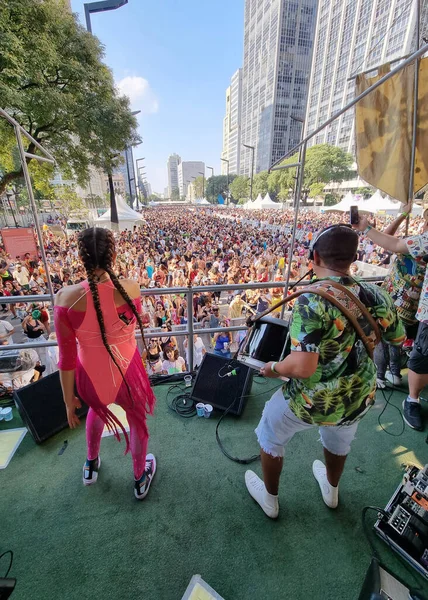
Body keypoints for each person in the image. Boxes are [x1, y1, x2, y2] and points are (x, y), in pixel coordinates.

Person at [245, 225, 404, 519]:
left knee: (270, 429)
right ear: (354, 257)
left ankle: (270, 500)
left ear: (314, 256)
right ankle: (331, 490)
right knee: (339, 437)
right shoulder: (375, 293)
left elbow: (303, 367)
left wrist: (273, 368)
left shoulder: (312, 300)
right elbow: (396, 337)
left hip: (314, 398)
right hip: (358, 392)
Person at [54, 227, 157, 500]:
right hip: (129, 374)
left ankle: (91, 463)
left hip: (89, 378)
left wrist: (68, 401)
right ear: (113, 254)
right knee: (137, 422)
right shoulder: (132, 288)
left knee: (96, 410)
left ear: (80, 256)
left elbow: (65, 359)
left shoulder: (64, 298)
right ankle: (139, 478)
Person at [353, 210, 428, 431]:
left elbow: (389, 240)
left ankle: (381, 375)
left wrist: (400, 215)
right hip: (414, 307)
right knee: (399, 338)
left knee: (382, 336)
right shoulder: (421, 244)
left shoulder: (418, 243)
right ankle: (393, 373)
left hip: (395, 300)